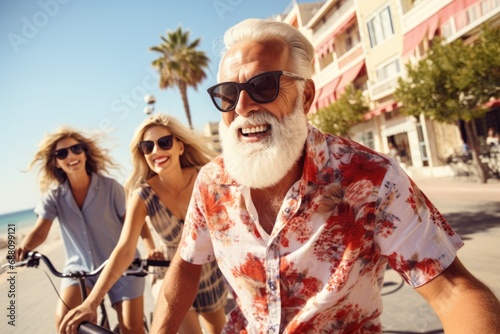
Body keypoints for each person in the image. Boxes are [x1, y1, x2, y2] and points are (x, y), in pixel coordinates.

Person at [149, 18, 500, 333]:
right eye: (228, 94)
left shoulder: (372, 179)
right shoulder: (212, 182)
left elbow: (452, 290)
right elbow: (186, 264)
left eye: (264, 86)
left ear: (306, 96)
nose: (242, 107)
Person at [60, 114, 228, 334]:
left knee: (220, 330)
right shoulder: (143, 196)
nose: (156, 151)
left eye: (164, 142)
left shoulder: (205, 178)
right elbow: (125, 249)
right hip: (171, 276)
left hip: (209, 273)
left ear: (180, 146)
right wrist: (91, 302)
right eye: (147, 147)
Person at [15, 126, 147, 333]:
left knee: (131, 328)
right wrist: (23, 247)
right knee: (65, 323)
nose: (71, 155)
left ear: (85, 153)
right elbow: (40, 231)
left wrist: (151, 246)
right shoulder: (54, 197)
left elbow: (137, 223)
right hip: (79, 271)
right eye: (62, 153)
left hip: (123, 268)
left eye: (76, 149)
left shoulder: (111, 187)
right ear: (56, 162)